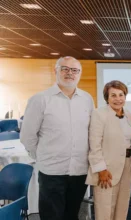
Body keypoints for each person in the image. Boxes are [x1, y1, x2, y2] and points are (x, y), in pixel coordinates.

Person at [20, 56, 94, 220]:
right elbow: (27, 136)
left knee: (72, 215)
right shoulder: (40, 99)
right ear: (56, 71)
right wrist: (41, 156)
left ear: (79, 74)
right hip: (51, 171)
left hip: (79, 170)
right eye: (65, 69)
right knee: (51, 216)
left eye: (74, 70)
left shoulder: (87, 99)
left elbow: (90, 131)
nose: (70, 73)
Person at [85, 80, 131, 220]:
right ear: (107, 97)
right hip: (107, 169)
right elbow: (94, 145)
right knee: (105, 210)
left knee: (122, 208)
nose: (118, 99)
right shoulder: (99, 114)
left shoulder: (129, 115)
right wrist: (101, 169)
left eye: (121, 94)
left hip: (127, 166)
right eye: (113, 95)